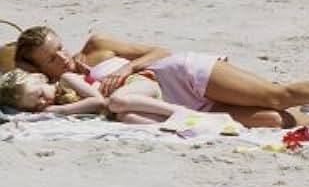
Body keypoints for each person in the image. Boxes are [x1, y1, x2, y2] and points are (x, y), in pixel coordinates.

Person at [14, 26, 309, 128]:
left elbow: (160, 51)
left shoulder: (98, 46)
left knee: (276, 96)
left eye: (60, 47)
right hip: (181, 105)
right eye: (52, 58)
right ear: (39, 67)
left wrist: (129, 67)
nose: (63, 57)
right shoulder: (55, 88)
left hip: (185, 73)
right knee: (270, 121)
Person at [0, 67, 182, 124]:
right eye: (36, 105)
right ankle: (180, 125)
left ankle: (179, 112)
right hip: (127, 107)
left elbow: (99, 101)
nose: (44, 102)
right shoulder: (51, 106)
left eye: (40, 94)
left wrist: (62, 109)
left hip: (135, 86)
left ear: (41, 79)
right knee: (127, 117)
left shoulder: (66, 79)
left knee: (117, 103)